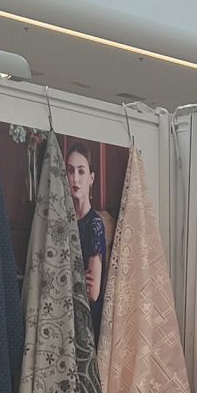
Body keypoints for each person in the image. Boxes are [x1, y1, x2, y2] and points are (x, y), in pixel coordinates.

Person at [68, 141, 112, 336]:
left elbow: (92, 293)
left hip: (87, 322)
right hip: (67, 317)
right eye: (70, 171)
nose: (75, 178)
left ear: (91, 178)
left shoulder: (94, 224)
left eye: (81, 171)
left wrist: (67, 278)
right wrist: (77, 277)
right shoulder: (65, 221)